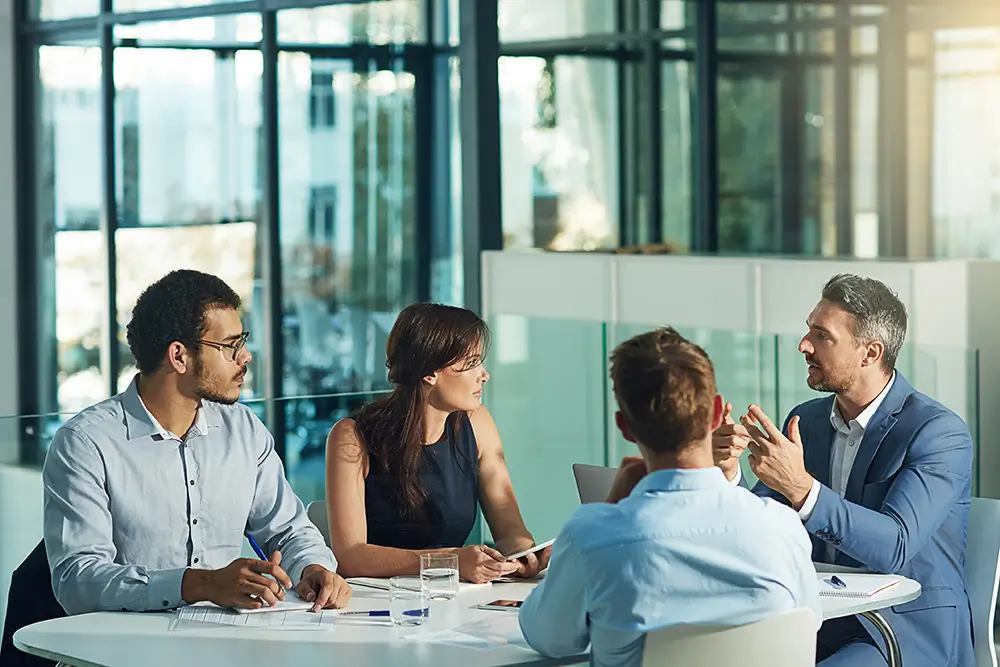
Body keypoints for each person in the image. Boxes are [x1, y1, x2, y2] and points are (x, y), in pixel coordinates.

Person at [43, 270, 351, 615]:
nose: (246, 356)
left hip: (230, 641)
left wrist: (314, 568)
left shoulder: (244, 430)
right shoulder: (86, 444)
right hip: (129, 649)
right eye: (230, 345)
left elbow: (289, 529)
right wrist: (199, 584)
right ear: (179, 356)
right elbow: (77, 580)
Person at [519, 327, 821, 667]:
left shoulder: (593, 537)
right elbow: (810, 623)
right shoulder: (780, 527)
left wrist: (607, 510)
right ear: (715, 411)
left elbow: (549, 639)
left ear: (624, 427)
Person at [719, 274, 973, 667]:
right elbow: (763, 533)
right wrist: (731, 474)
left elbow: (895, 545)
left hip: (899, 632)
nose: (804, 345)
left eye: (822, 335)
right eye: (809, 330)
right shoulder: (806, 420)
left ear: (870, 353)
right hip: (811, 620)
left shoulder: (938, 433)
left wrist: (803, 489)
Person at [325, 303, 548, 583]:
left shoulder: (478, 423)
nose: (484, 374)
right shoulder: (351, 437)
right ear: (430, 373)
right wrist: (450, 561)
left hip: (455, 596)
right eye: (471, 364)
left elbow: (510, 533)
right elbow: (350, 556)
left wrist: (526, 557)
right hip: (379, 604)